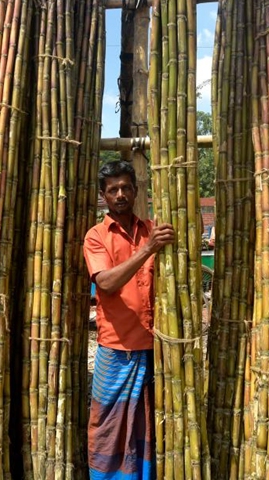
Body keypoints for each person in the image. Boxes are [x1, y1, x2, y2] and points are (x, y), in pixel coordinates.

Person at [83, 161, 175, 480]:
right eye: (113, 190)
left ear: (135, 191)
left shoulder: (152, 228)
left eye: (125, 187)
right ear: (103, 196)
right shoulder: (96, 237)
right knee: (107, 427)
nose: (120, 194)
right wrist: (148, 250)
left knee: (145, 428)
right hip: (115, 352)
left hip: (152, 351)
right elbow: (105, 283)